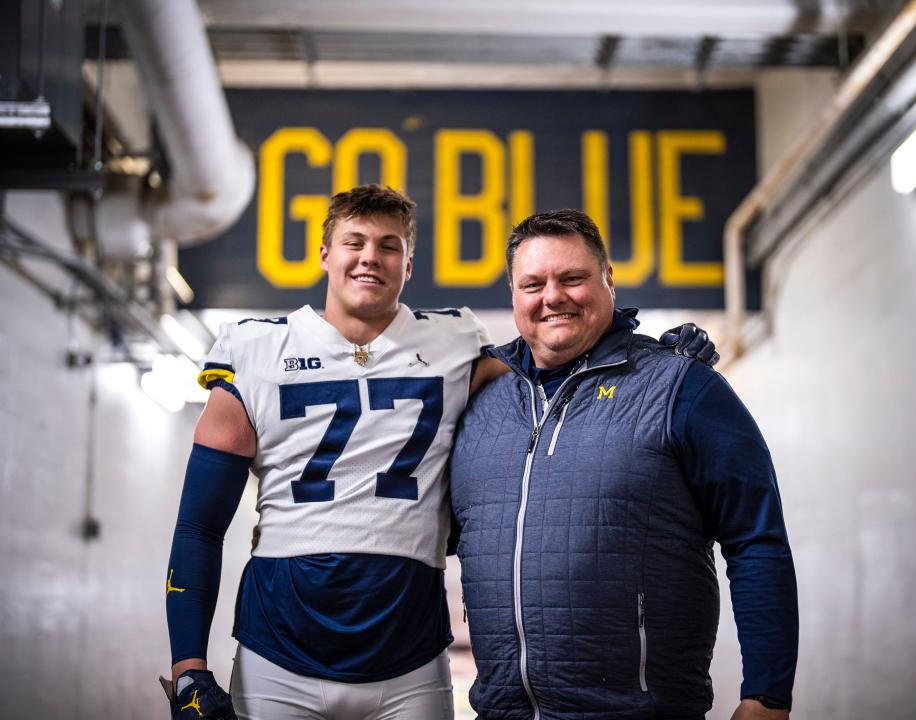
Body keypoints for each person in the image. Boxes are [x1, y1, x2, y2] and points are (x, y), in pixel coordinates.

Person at [163, 186, 717, 720]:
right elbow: (199, 527)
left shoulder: (455, 340)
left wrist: (651, 357)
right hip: (277, 645)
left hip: (409, 650)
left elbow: (558, 343)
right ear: (325, 254)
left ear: (409, 265)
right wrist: (188, 665)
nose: (369, 258)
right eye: (354, 242)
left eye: (389, 246)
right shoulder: (257, 347)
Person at [449, 209, 798, 720]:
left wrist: (767, 695)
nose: (553, 296)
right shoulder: (482, 405)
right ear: (513, 294)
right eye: (533, 283)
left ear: (608, 280)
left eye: (573, 278)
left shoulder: (682, 388)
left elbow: (756, 540)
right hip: (503, 712)